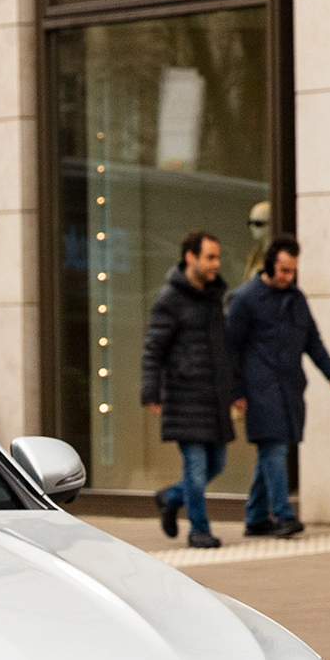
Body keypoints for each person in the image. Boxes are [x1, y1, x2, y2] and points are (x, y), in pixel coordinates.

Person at [227, 234, 330, 537]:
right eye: (283, 271)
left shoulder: (296, 299)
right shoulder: (245, 300)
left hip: (290, 387)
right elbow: (229, 349)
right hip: (259, 388)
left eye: (293, 271)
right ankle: (283, 515)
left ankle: (255, 517)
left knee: (272, 449)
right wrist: (236, 391)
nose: (288, 277)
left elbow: (312, 340)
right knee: (275, 447)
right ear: (269, 266)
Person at [143, 229, 239, 548]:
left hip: (213, 399)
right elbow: (153, 348)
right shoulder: (170, 300)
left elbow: (224, 350)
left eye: (217, 257)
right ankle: (199, 529)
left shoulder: (213, 298)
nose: (216, 263)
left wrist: (235, 391)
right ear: (190, 258)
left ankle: (171, 496)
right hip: (185, 397)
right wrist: (151, 392)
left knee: (218, 464)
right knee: (196, 470)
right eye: (210, 257)